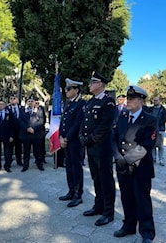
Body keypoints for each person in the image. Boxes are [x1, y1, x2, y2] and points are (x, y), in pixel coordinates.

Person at [112, 85, 158, 243]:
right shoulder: (123, 116)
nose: (128, 100)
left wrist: (126, 160)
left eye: (131, 98)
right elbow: (115, 138)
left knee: (142, 200)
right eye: (127, 98)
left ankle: (147, 232)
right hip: (122, 166)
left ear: (141, 101)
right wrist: (118, 157)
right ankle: (129, 226)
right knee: (126, 198)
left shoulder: (150, 120)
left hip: (140, 168)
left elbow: (147, 145)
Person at [79, 71, 116, 226]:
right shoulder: (90, 102)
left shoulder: (108, 102)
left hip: (102, 147)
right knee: (96, 178)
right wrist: (81, 134)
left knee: (105, 179)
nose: (89, 85)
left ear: (100, 84)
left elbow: (105, 126)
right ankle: (98, 205)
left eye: (92, 82)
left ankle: (108, 212)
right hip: (92, 148)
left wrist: (90, 139)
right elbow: (85, 122)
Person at [58, 78, 86, 208]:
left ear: (76, 90)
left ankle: (77, 195)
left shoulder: (81, 104)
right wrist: (60, 136)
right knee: (68, 167)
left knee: (76, 168)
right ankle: (71, 191)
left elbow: (77, 124)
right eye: (66, 89)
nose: (66, 91)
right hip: (65, 141)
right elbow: (63, 122)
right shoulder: (68, 103)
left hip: (74, 142)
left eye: (69, 89)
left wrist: (67, 138)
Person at [19, 95, 46, 172]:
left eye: (32, 101)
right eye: (29, 101)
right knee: (26, 151)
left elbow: (41, 121)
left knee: (38, 151)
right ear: (27, 102)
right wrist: (27, 128)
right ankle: (25, 165)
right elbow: (20, 121)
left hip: (36, 134)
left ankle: (39, 164)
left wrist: (33, 128)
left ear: (35, 102)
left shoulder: (39, 110)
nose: (30, 103)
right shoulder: (22, 110)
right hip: (26, 134)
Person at [146, 96, 166, 166]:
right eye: (154, 100)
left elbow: (164, 119)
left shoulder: (163, 110)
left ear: (159, 101)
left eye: (156, 100)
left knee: (160, 145)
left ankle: (161, 159)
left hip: (160, 129)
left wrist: (157, 125)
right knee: (153, 144)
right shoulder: (150, 109)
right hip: (152, 129)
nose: (155, 102)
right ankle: (153, 158)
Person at [7, 94, 24, 166]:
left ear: (17, 100)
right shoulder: (7, 109)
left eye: (14, 98)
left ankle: (19, 161)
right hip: (10, 132)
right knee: (10, 147)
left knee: (19, 147)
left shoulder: (22, 108)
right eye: (11, 98)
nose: (12, 100)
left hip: (19, 131)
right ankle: (9, 162)